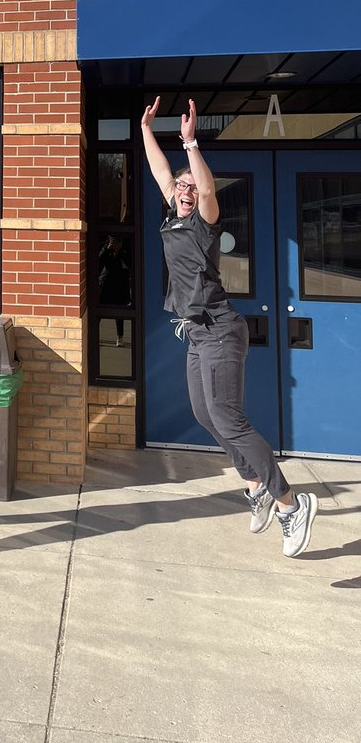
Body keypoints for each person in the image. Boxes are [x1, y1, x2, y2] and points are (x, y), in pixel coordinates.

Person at [141, 96, 318, 559]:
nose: (183, 190)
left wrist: (191, 143)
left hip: (220, 329)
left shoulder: (204, 222)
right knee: (205, 414)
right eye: (179, 186)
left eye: (189, 188)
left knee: (229, 419)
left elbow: (205, 187)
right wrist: (144, 129)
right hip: (197, 334)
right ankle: (256, 484)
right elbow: (162, 173)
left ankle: (290, 504)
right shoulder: (169, 216)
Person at [98, 235, 130, 344]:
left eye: (116, 242)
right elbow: (99, 261)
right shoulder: (105, 251)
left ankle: (120, 337)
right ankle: (94, 334)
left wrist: (119, 251)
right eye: (112, 242)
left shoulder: (124, 252)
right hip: (105, 284)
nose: (114, 244)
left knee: (119, 314)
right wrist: (107, 249)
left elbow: (129, 264)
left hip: (119, 286)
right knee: (99, 312)